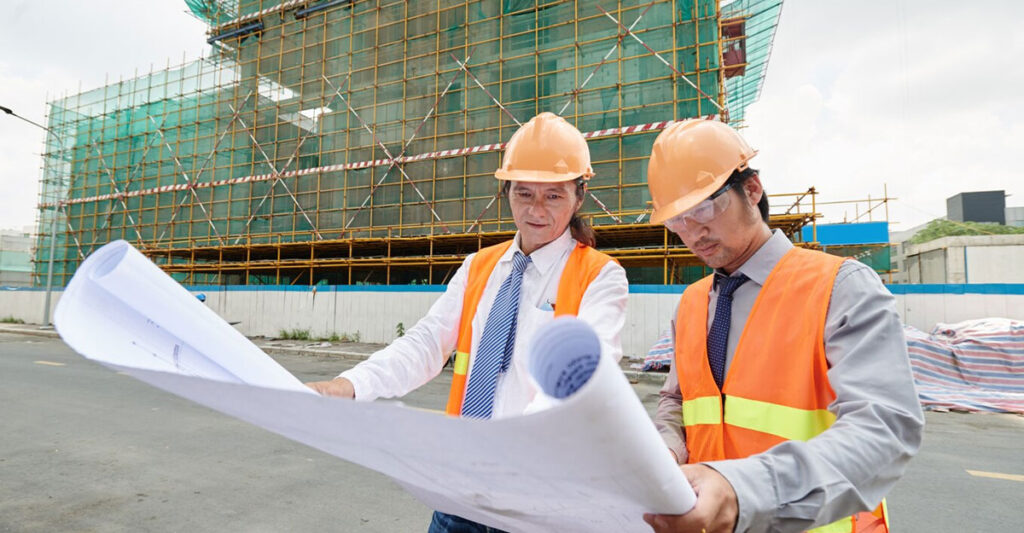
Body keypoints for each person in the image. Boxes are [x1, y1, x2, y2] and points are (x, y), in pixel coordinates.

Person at [306, 112, 629, 533]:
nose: (535, 210)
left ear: (579, 195)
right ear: (506, 191)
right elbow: (425, 343)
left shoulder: (600, 276)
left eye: (554, 196)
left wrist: (512, 450)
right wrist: (348, 387)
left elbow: (585, 378)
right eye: (524, 193)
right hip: (461, 492)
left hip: (540, 500)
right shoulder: (480, 265)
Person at [641, 119, 924, 533]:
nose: (692, 232)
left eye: (703, 208)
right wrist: (666, 450)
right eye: (676, 221)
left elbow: (884, 428)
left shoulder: (840, 287)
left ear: (751, 190)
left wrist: (743, 490)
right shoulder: (692, 302)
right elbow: (677, 402)